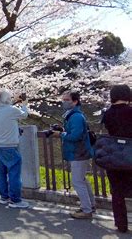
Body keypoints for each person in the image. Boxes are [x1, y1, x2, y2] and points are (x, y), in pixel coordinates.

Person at [55, 91, 95, 218]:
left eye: (67, 100)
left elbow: (75, 136)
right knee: (82, 180)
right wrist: (62, 130)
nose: (64, 102)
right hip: (79, 152)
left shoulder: (76, 117)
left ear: (75, 101)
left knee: (77, 181)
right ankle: (90, 205)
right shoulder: (72, 115)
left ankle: (86, 210)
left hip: (78, 152)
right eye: (63, 99)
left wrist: (61, 134)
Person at [101, 85, 132, 233]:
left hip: (113, 157)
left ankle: (121, 225)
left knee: (117, 191)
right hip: (130, 155)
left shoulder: (107, 114)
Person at [0, 89, 29, 208]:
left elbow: (7, 109)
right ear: (7, 99)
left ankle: (4, 197)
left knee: (2, 173)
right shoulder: (12, 110)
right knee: (14, 173)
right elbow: (24, 115)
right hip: (10, 146)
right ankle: (15, 200)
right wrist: (24, 104)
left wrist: (15, 102)